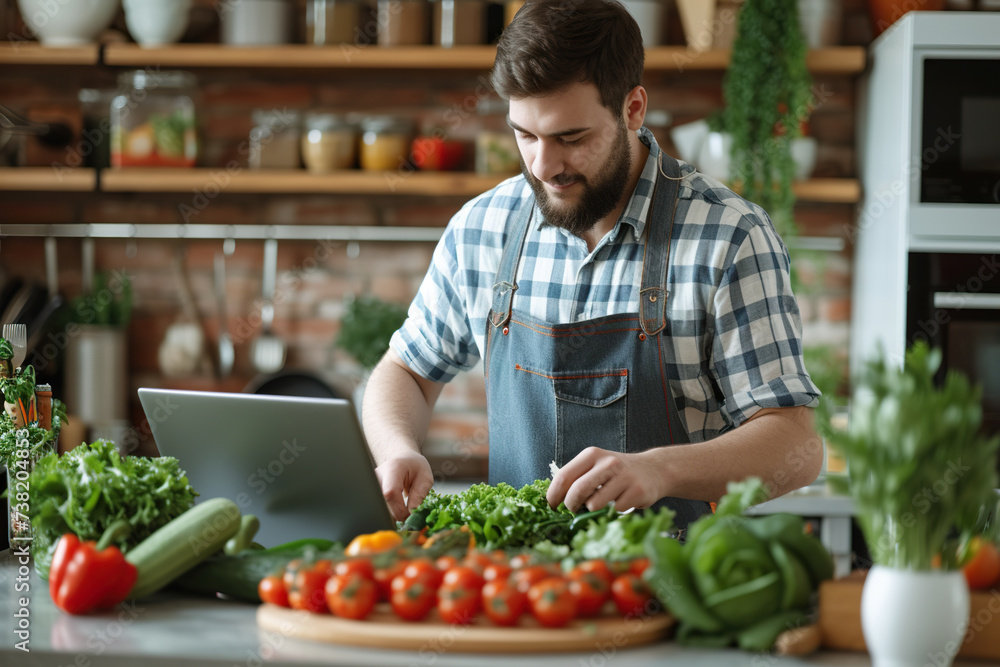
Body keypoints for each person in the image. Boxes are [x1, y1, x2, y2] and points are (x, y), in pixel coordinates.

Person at [363, 0, 823, 529]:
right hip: (513, 588)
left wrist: (660, 471)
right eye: (525, 135)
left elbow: (796, 442)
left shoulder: (729, 237)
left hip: (671, 586)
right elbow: (406, 373)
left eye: (571, 138)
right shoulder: (482, 228)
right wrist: (397, 448)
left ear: (633, 109)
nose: (543, 166)